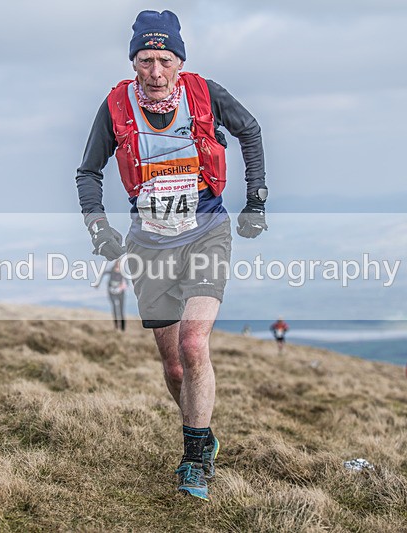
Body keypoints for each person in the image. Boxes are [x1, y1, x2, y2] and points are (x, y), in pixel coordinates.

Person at [75, 10, 268, 501]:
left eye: (164, 59)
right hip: (149, 243)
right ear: (133, 62)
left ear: (179, 61)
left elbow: (250, 130)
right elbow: (88, 172)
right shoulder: (116, 105)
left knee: (194, 342)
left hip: (206, 231)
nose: (155, 71)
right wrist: (98, 226)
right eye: (145, 60)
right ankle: (200, 430)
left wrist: (256, 199)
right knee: (174, 367)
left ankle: (194, 458)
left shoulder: (204, 93)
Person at [95, 259, 127, 331]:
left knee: (121, 310)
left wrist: (121, 287)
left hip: (121, 293)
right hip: (112, 293)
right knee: (115, 308)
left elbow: (127, 283)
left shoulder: (123, 273)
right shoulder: (111, 271)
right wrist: (97, 283)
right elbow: (102, 274)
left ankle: (123, 328)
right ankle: (116, 326)